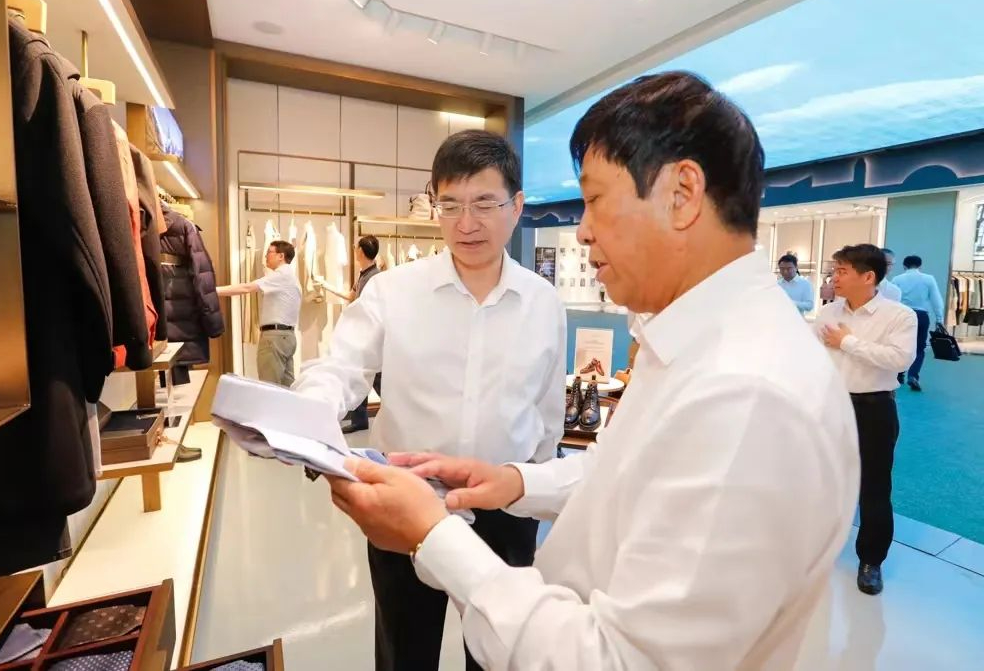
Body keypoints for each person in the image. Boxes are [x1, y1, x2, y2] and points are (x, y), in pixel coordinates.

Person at [325, 72, 860, 669]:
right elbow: (620, 470)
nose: (581, 231)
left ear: (682, 194)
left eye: (595, 200)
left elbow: (622, 660)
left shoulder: (747, 394)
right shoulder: (694, 348)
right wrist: (517, 481)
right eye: (451, 206)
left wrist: (432, 534)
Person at [295, 130, 566, 671]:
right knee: (404, 649)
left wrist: (532, 490)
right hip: (405, 501)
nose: (466, 224)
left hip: (504, 507)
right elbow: (341, 367)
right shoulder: (393, 291)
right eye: (451, 205)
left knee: (497, 656)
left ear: (516, 207)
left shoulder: (543, 302)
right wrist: (308, 414)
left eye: (484, 204)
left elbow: (547, 412)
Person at [816, 244, 916, 596]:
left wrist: (848, 342)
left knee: (874, 486)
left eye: (842, 271)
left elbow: (900, 359)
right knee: (825, 480)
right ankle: (818, 550)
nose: (834, 277)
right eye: (835, 270)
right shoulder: (828, 313)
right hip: (831, 405)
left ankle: (871, 560)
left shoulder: (899, 316)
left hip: (874, 408)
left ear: (868, 276)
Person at [319, 235, 383, 434]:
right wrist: (326, 285)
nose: (354, 250)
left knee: (376, 377)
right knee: (361, 374)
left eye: (356, 247)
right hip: (363, 333)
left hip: (372, 335)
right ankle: (359, 419)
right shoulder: (364, 275)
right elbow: (351, 296)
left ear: (361, 251)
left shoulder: (376, 278)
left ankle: (395, 413)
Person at [217, 240, 301, 386]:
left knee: (269, 386)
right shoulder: (291, 276)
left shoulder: (280, 276)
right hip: (287, 337)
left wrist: (213, 291)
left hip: (274, 338)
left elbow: (246, 288)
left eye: (269, 252)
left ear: (281, 256)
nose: (266, 256)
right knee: (286, 387)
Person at [892, 254, 945, 391]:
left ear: (904, 266)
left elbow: (892, 299)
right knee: (919, 347)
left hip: (902, 314)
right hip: (921, 316)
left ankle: (899, 374)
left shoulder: (897, 279)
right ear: (920, 266)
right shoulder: (928, 279)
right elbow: (936, 300)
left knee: (900, 345)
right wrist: (939, 319)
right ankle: (913, 375)